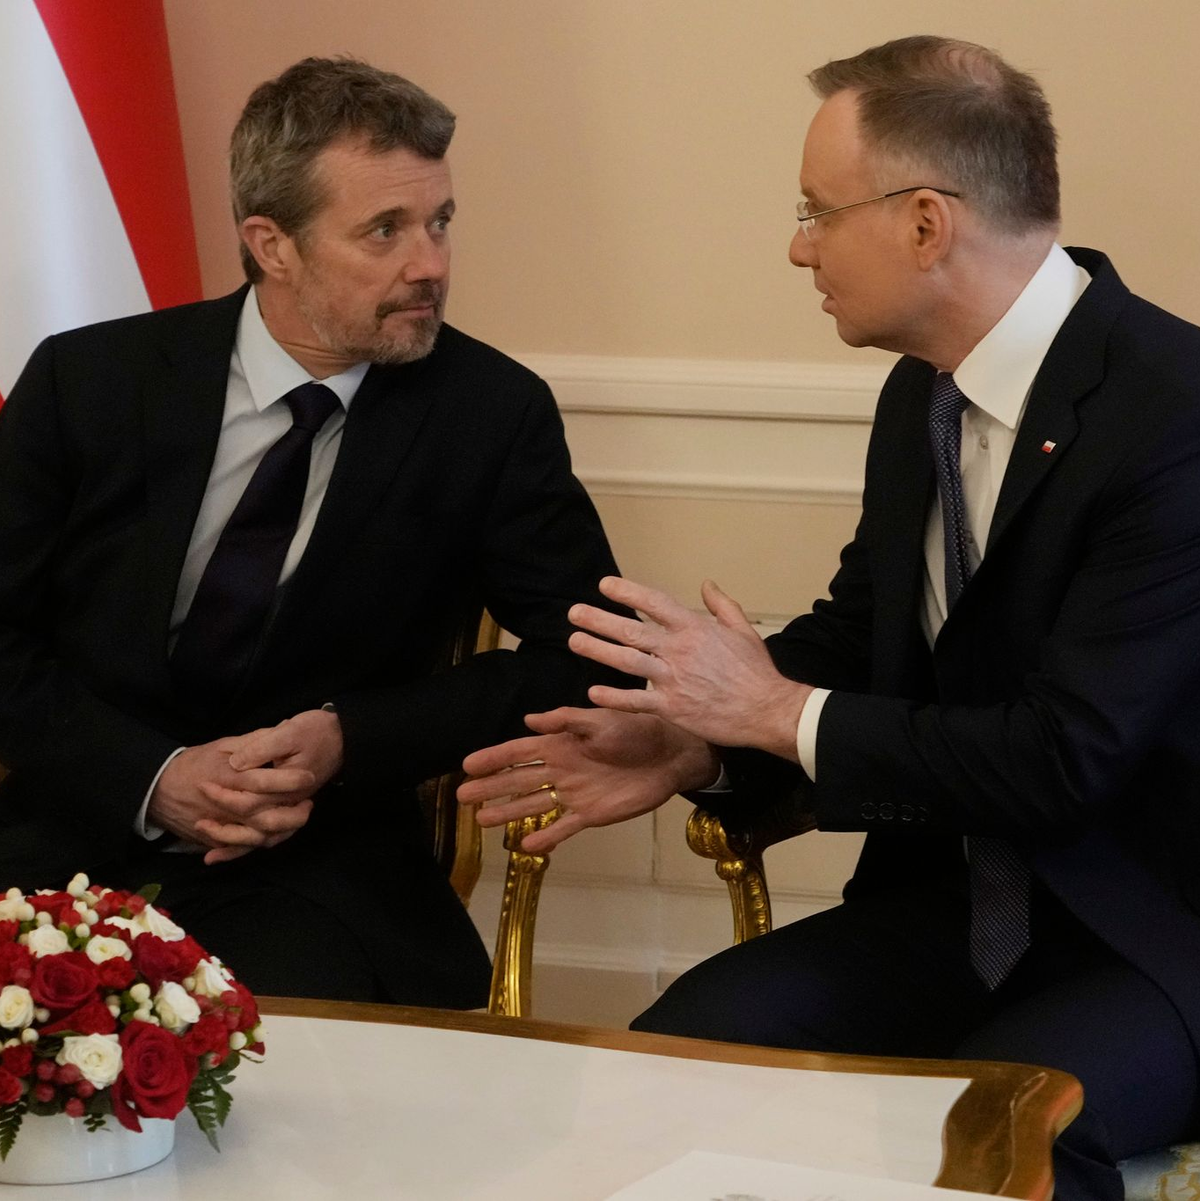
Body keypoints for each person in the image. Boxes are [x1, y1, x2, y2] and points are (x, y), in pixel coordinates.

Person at [458, 36, 1200, 1199]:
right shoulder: (923, 397)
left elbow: (1067, 759)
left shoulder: (1172, 412)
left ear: (925, 224)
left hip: (1155, 931)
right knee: (671, 1062)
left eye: (816, 211)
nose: (798, 246)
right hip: (957, 909)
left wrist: (773, 709)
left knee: (998, 1135)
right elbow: (862, 641)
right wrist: (698, 739)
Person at [0, 57, 628, 1008]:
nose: (431, 264)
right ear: (272, 245)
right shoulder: (89, 382)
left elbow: (585, 658)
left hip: (320, 865)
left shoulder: (489, 414)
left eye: (440, 221)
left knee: (286, 1049)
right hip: (75, 824)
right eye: (385, 230)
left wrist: (349, 736)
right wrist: (154, 776)